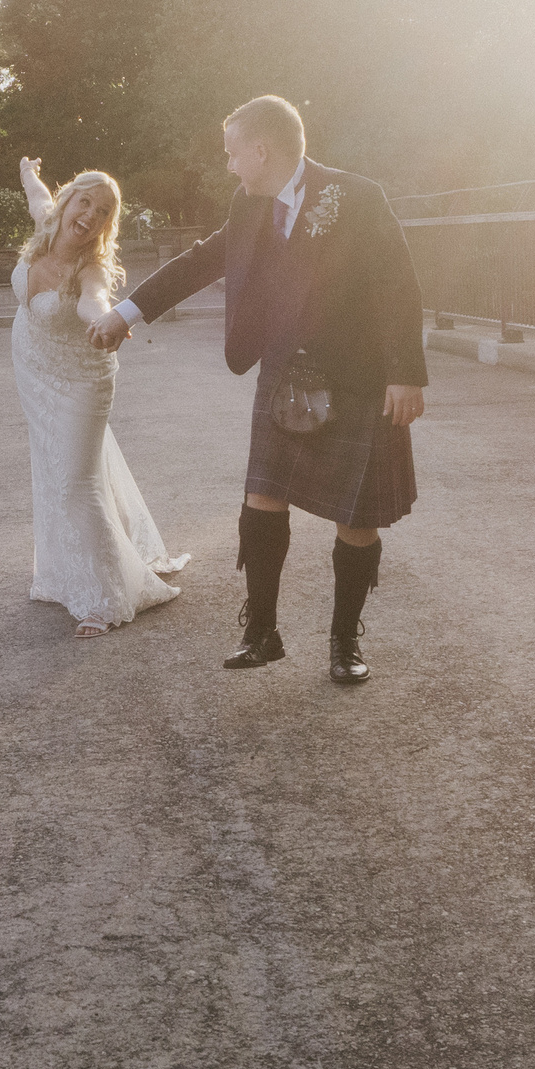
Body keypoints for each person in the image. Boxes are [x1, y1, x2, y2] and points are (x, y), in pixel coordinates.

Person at [90, 97, 426, 685]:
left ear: (261, 150)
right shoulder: (249, 205)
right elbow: (201, 262)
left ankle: (344, 642)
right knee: (263, 498)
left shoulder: (357, 195)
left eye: (233, 154)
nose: (230, 167)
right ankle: (261, 632)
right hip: (283, 373)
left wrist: (406, 373)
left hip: (357, 379)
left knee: (357, 516)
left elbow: (398, 284)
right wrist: (127, 312)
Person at [11, 157, 188, 638]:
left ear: (107, 224)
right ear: (67, 201)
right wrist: (28, 171)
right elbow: (35, 194)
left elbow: (95, 300)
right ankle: (98, 555)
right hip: (35, 370)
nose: (89, 213)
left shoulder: (91, 268)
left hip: (82, 378)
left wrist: (104, 319)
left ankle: (108, 598)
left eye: (103, 210)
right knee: (62, 466)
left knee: (76, 483)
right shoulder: (47, 222)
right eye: (84, 200)